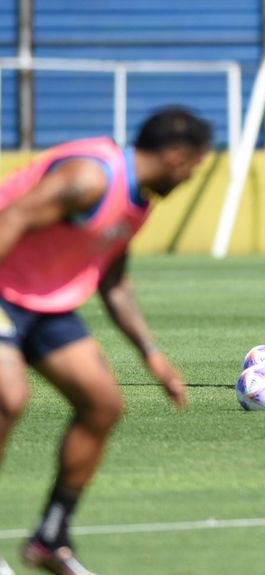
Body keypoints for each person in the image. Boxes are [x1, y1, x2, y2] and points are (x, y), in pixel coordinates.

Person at [0, 106, 212, 575]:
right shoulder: (90, 178)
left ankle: (50, 538)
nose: (190, 178)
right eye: (194, 167)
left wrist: (152, 355)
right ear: (177, 156)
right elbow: (11, 219)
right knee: (8, 398)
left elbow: (113, 280)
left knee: (103, 405)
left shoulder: (138, 203)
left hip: (44, 304)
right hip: (2, 289)